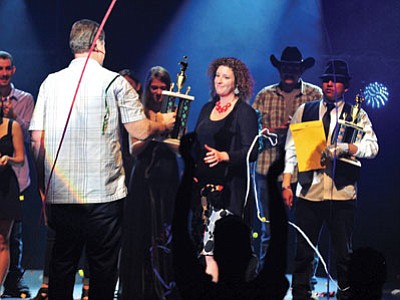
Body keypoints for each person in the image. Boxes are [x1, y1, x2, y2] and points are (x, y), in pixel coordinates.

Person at [29, 19, 175, 300]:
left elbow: (37, 140)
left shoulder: (50, 82)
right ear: (98, 45)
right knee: (102, 270)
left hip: (61, 196)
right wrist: (164, 124)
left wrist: (43, 186)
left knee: (61, 268)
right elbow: (140, 129)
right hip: (104, 198)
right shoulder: (114, 81)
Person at [282, 59, 379, 300]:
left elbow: (373, 146)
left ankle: (346, 293)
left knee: (343, 253)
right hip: (310, 191)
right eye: (326, 80)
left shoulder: (357, 114)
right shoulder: (305, 110)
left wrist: (347, 147)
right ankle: (300, 293)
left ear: (345, 86)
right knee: (303, 250)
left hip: (342, 193)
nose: (328, 84)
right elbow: (291, 149)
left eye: (334, 81)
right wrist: (286, 182)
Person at [171, 132, 289, 300]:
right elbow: (279, 240)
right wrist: (272, 180)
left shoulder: (200, 291)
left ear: (216, 253)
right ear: (249, 256)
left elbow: (179, 233)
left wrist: (189, 166)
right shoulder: (262, 292)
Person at [252, 46, 322, 271]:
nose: (289, 72)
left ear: (301, 70)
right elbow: (252, 131)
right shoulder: (265, 95)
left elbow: (323, 131)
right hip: (268, 169)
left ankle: (305, 283)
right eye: (285, 67)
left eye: (294, 68)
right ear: (279, 69)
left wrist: (297, 130)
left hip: (303, 170)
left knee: (305, 229)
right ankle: (266, 280)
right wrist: (277, 130)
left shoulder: (314, 94)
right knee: (269, 229)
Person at [190, 57, 259, 282]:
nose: (219, 80)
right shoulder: (207, 108)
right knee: (204, 251)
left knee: (222, 251)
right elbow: (197, 143)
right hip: (203, 192)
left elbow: (252, 151)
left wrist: (224, 156)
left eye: (226, 77)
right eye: (217, 76)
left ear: (237, 82)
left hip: (228, 192)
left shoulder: (244, 112)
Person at [119, 66, 181, 300]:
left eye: (162, 88)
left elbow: (180, 147)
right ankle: (140, 286)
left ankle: (165, 285)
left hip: (167, 175)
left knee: (166, 230)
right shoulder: (139, 110)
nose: (158, 92)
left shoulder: (175, 111)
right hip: (143, 176)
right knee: (141, 231)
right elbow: (134, 148)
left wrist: (162, 134)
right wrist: (158, 130)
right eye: (154, 88)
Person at [0, 50, 34, 298]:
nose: (3, 73)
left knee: (13, 235)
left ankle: (14, 280)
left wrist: (15, 118)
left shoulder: (24, 99)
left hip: (15, 179)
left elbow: (32, 136)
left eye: (7, 68)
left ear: (13, 70)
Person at [0, 95, 25, 288]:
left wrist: (8, 159)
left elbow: (21, 158)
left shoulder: (11, 126)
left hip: (6, 187)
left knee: (2, 241)